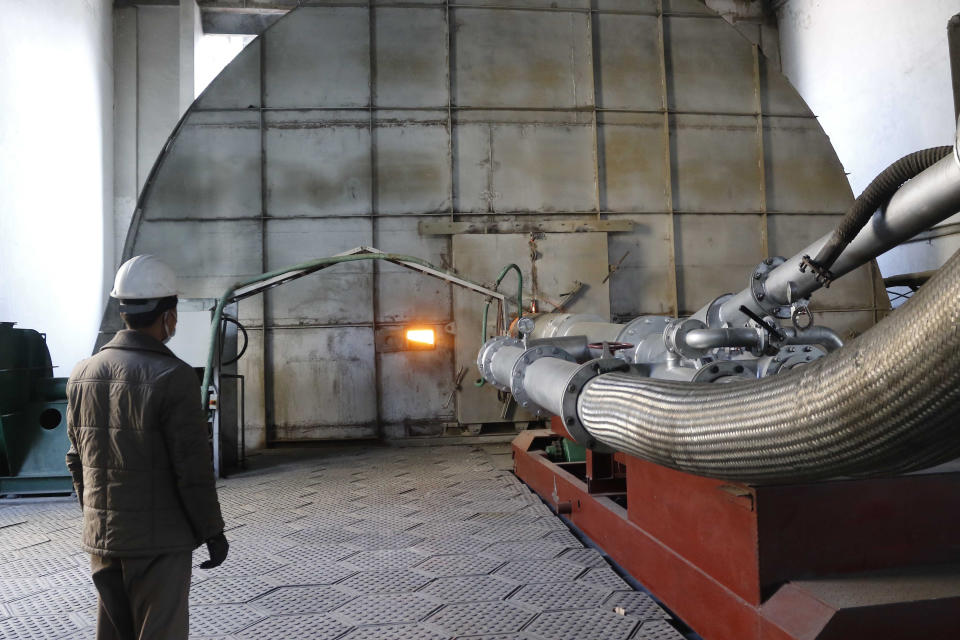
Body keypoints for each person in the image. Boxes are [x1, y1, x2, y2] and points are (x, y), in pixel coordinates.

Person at [65, 254, 228, 640]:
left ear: (124, 310)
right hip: (160, 543)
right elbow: (193, 471)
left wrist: (97, 516)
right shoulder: (173, 377)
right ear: (168, 315)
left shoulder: (83, 372)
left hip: (103, 542)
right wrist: (212, 531)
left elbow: (75, 459)